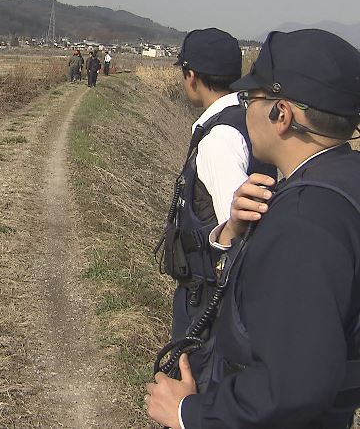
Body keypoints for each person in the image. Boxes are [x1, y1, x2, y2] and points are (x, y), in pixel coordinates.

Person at [146, 29, 360, 428]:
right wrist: (234, 234)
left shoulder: (302, 221)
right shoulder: (340, 184)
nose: (243, 110)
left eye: (251, 98)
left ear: (283, 114)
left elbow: (294, 386)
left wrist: (188, 413)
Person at [155, 27, 276, 386]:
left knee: (201, 384)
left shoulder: (220, 139)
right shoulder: (243, 118)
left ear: (191, 77)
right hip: (214, 292)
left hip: (209, 295)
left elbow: (236, 230)